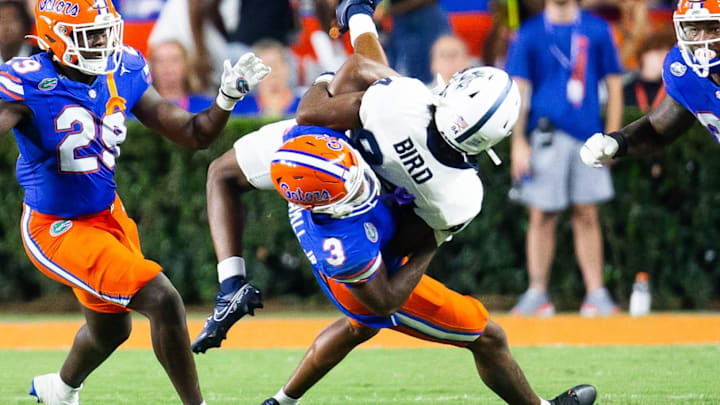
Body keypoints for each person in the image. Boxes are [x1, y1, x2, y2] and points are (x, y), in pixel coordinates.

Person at [0, 1, 270, 404]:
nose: (103, 42)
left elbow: (193, 134)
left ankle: (60, 389)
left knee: (113, 329)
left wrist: (225, 99)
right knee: (162, 299)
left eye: (105, 31)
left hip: (109, 215)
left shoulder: (122, 69)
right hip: (56, 226)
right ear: (55, 37)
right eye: (89, 35)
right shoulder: (25, 82)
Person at [258, 133, 597, 405]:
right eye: (351, 190)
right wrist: (435, 237)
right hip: (372, 286)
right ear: (323, 203)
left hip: (352, 275)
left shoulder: (310, 140)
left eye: (357, 175)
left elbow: (325, 99)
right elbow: (385, 301)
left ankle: (280, 402)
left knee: (357, 329)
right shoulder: (344, 246)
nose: (363, 185)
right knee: (489, 337)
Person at [505, 0, 623, 317]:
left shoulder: (597, 29)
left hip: (587, 135)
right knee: (541, 215)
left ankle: (596, 294)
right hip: (545, 134)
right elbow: (519, 90)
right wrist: (517, 143)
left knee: (587, 213)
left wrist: (613, 137)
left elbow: (614, 83)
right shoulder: (529, 33)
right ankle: (537, 293)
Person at [580, 1, 720, 169]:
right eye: (694, 30)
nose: (703, 41)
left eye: (715, 29)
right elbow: (658, 129)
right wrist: (618, 141)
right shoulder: (685, 72)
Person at [232, 39, 302, 118]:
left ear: (286, 67)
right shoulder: (239, 108)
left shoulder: (304, 106)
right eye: (264, 68)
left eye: (276, 66)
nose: (272, 73)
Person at [148, 40, 213, 113]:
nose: (167, 67)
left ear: (187, 65)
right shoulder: (140, 112)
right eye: (160, 61)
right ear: (152, 68)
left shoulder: (209, 109)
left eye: (174, 60)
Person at [622, 31, 675, 113]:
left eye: (669, 53)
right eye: (659, 51)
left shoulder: (674, 91)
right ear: (643, 55)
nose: (664, 57)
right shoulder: (625, 89)